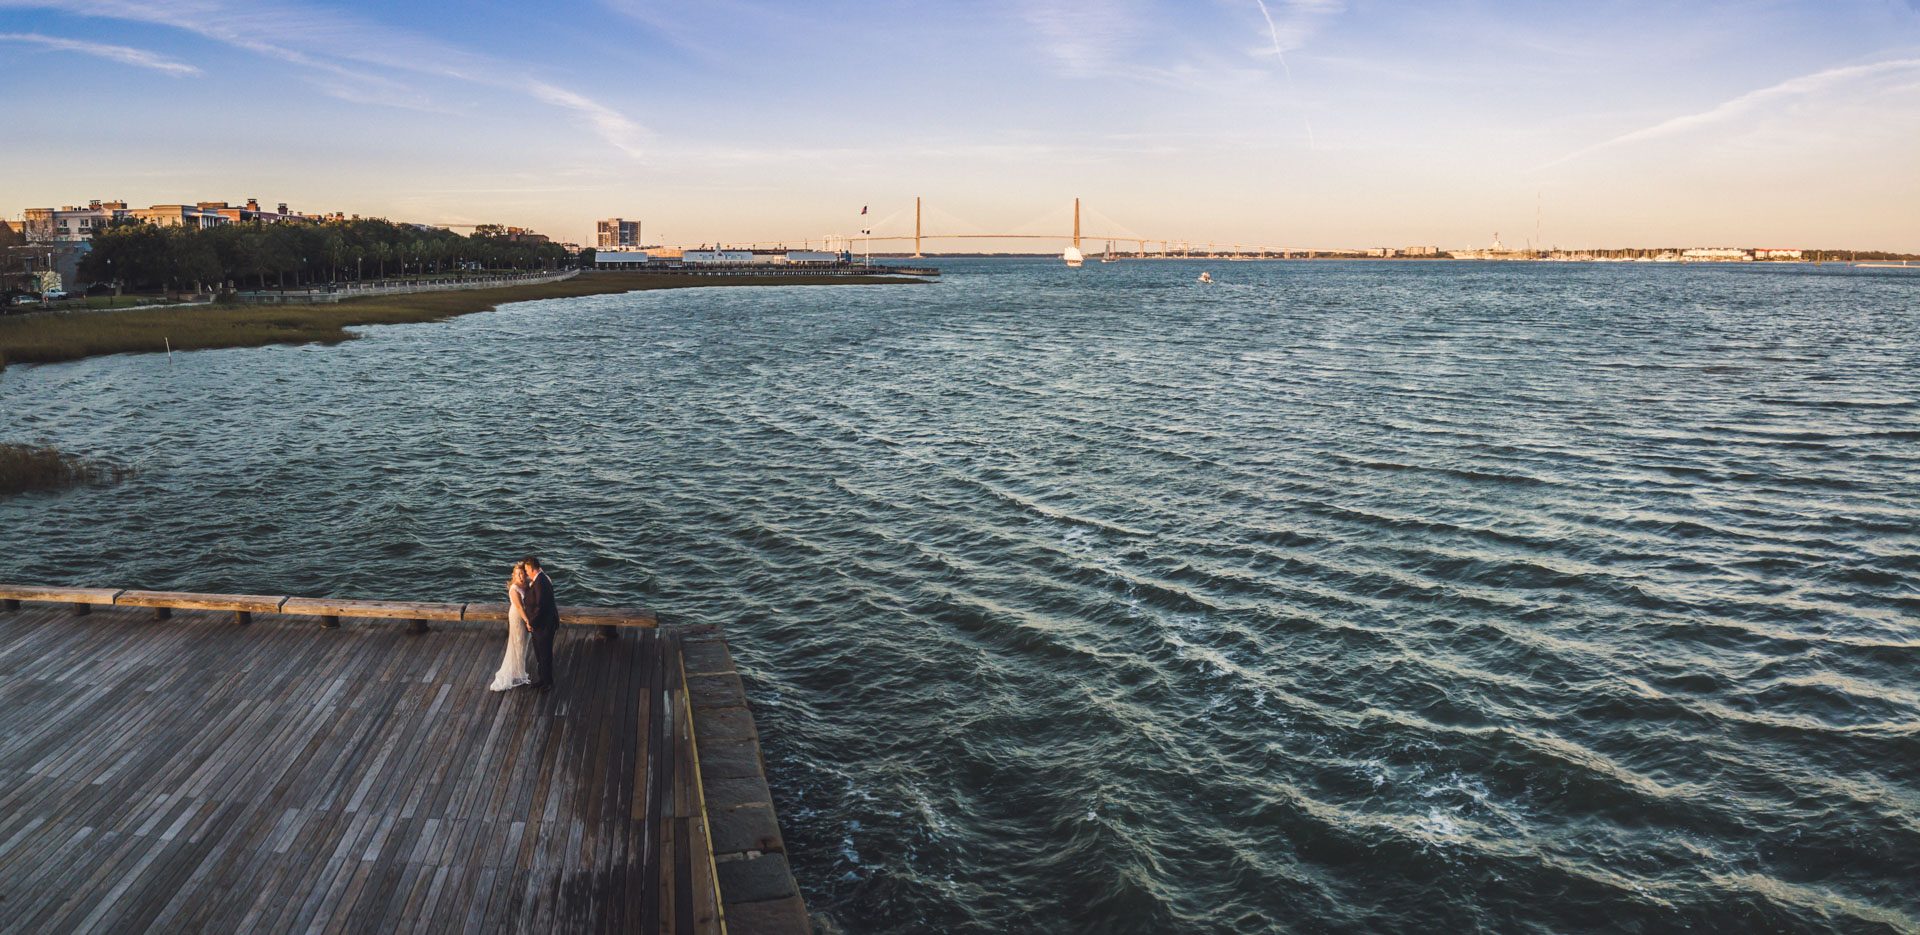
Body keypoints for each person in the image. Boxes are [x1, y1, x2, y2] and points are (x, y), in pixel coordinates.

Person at [488, 562, 534, 692]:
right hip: (518, 617)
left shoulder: (527, 582)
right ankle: (519, 674)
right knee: (518, 643)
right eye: (517, 574)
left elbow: (546, 580)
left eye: (522, 574)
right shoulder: (514, 589)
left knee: (524, 643)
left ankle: (520, 671)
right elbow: (519, 607)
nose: (520, 576)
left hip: (525, 616)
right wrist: (527, 621)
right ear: (513, 575)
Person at [524, 556, 561, 693]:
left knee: (545, 654)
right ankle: (542, 678)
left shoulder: (541, 582)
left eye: (527, 570)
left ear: (532, 568)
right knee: (539, 653)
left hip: (544, 625)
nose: (526, 573)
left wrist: (531, 623)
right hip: (539, 625)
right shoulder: (538, 580)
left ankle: (548, 682)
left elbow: (541, 606)